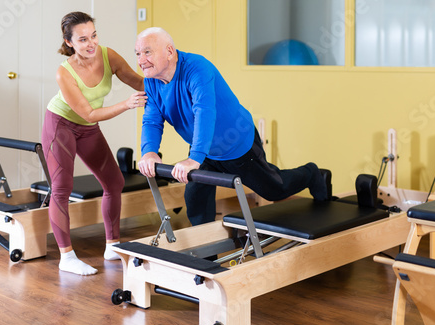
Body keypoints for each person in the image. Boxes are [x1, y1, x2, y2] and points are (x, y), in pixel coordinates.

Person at [137, 27, 328, 227]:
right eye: (138, 54)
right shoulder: (152, 81)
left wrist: (194, 158)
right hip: (206, 149)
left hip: (236, 142)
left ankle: (312, 174)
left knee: (274, 190)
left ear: (169, 51)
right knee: (196, 200)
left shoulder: (196, 68)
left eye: (147, 52)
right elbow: (152, 119)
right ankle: (206, 255)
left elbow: (205, 112)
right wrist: (149, 151)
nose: (141, 60)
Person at [42, 12, 147, 275]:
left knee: (114, 182)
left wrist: (169, 86)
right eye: (82, 39)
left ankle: (112, 245)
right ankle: (66, 257)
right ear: (69, 42)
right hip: (61, 126)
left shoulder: (107, 55)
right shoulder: (64, 73)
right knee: (62, 187)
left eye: (94, 36)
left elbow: (136, 80)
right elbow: (88, 113)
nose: (91, 44)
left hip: (88, 129)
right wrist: (127, 104)